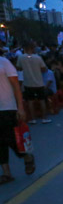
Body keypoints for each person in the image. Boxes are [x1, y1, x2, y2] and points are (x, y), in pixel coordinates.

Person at [0, 54, 35, 184]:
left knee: (11, 139)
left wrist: (20, 107)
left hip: (7, 107)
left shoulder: (4, 63)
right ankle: (6, 173)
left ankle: (26, 156)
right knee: (0, 142)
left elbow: (16, 86)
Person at [17, 42, 51, 124]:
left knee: (30, 101)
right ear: (32, 48)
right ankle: (44, 118)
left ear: (25, 49)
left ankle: (33, 119)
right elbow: (44, 69)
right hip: (39, 82)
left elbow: (19, 68)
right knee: (42, 100)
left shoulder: (21, 58)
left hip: (28, 82)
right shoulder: (38, 58)